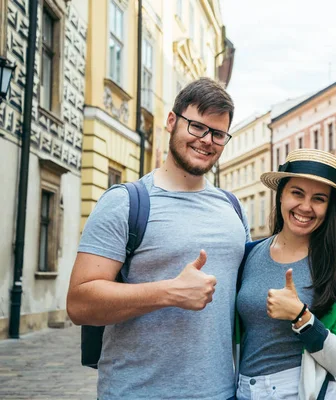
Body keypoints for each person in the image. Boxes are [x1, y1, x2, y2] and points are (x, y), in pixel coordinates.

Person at [67, 78, 250, 400]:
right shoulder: (125, 202)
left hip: (221, 392)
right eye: (196, 127)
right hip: (136, 392)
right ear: (171, 121)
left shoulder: (233, 209)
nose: (206, 141)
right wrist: (169, 292)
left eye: (218, 134)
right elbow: (80, 304)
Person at [235, 149, 336, 400]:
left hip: (300, 391)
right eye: (297, 193)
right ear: (281, 195)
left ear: (329, 207)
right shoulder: (247, 256)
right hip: (243, 390)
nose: (305, 207)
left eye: (319, 198)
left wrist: (302, 317)